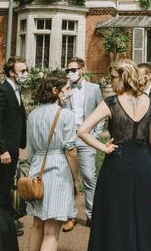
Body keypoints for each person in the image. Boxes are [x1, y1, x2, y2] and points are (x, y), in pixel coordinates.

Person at [78, 59, 151, 251]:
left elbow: (82, 131)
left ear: (124, 77)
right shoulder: (150, 103)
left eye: (113, 77)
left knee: (116, 216)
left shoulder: (111, 102)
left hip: (117, 166)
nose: (110, 81)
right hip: (143, 165)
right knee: (142, 216)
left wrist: (102, 147)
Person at [26, 75, 80, 251]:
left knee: (37, 225)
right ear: (56, 91)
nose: (69, 93)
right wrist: (76, 178)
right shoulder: (66, 115)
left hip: (37, 168)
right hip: (58, 169)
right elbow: (71, 150)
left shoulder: (33, 114)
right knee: (52, 231)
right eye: (67, 89)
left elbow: (31, 149)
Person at [61, 57, 104, 232]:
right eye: (68, 71)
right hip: (69, 137)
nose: (70, 73)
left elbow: (100, 112)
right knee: (69, 177)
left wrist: (95, 135)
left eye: (73, 70)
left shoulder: (94, 88)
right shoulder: (65, 89)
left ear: (82, 70)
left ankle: (91, 214)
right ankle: (71, 215)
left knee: (88, 176)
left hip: (86, 137)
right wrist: (64, 98)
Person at [0, 56, 28, 234]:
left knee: (7, 184)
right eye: (22, 71)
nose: (26, 74)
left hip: (13, 147)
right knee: (3, 185)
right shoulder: (3, 91)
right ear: (12, 73)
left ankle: (5, 219)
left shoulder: (16, 89)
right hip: (5, 150)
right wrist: (2, 149)